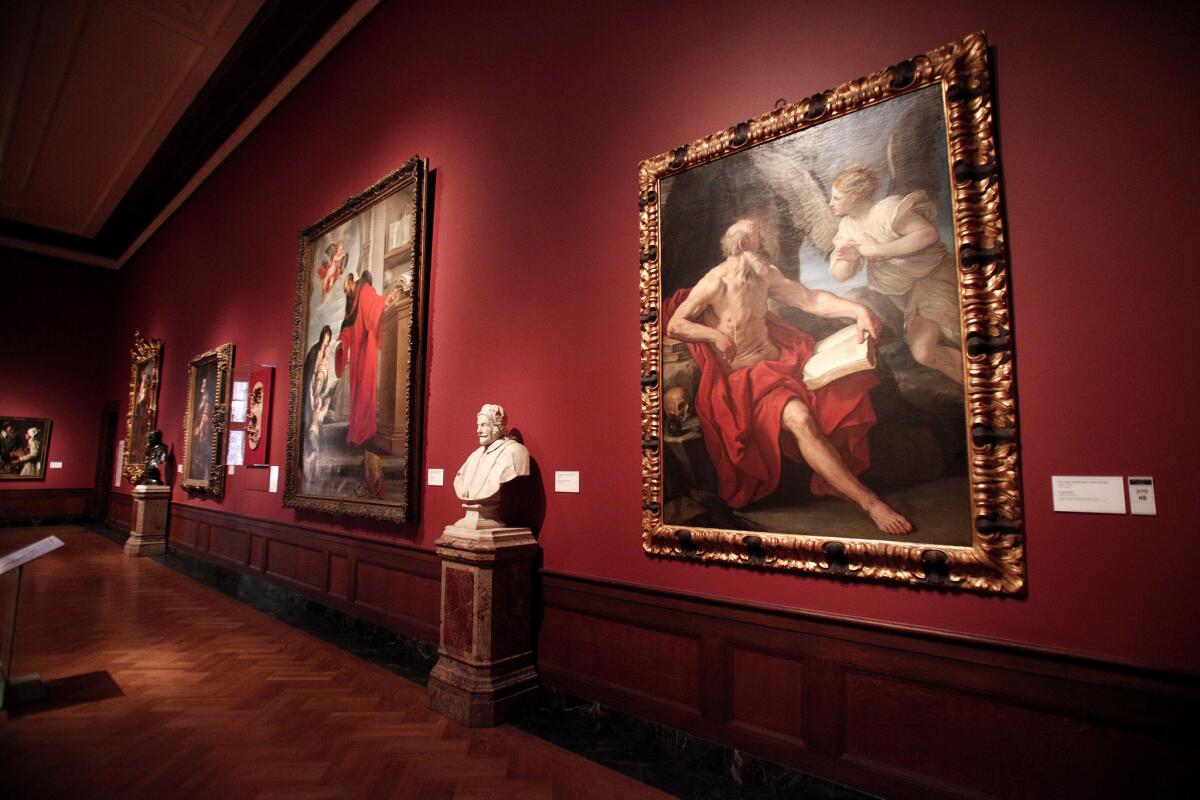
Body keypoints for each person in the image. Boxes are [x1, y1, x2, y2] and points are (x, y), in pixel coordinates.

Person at [666, 219, 912, 535]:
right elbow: (675, 324)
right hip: (747, 382)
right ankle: (870, 503)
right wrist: (712, 336)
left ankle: (832, 482)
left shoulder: (765, 275)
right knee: (800, 419)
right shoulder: (715, 283)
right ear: (743, 246)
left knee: (839, 393)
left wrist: (858, 312)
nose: (764, 244)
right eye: (759, 238)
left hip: (784, 367)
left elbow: (810, 300)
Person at [828, 165, 963, 384]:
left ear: (854, 197)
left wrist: (876, 251)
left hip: (934, 279)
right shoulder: (847, 226)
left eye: (836, 197)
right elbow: (839, 275)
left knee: (939, 343)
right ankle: (977, 387)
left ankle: (983, 386)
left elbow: (927, 234)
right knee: (924, 351)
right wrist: (850, 259)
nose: (831, 203)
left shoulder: (885, 210)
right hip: (906, 295)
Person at [337, 272, 387, 447]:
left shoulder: (364, 290)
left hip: (367, 349)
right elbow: (347, 330)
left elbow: (375, 306)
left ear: (351, 280)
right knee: (357, 392)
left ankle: (365, 431)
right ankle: (357, 432)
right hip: (357, 355)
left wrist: (386, 300)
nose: (345, 291)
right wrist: (342, 343)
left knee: (366, 390)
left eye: (345, 286)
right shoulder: (351, 303)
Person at [453, 404, 530, 502]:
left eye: (484, 425)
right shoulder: (475, 455)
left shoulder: (515, 451)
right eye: (478, 425)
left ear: (497, 426)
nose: (478, 431)